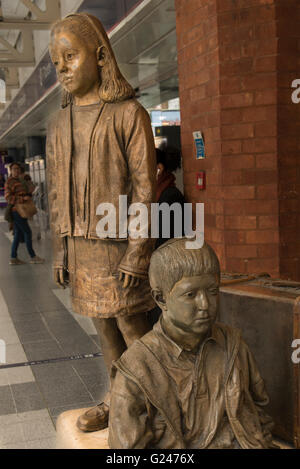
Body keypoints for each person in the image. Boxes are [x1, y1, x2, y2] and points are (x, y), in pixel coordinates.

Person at [47, 13, 156, 432]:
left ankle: (156, 406)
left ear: (99, 55)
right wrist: (60, 249)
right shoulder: (59, 123)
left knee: (134, 329)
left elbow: (146, 190)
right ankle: (116, 399)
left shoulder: (129, 114)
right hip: (82, 247)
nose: (63, 69)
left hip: (119, 247)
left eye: (70, 57)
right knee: (104, 331)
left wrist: (136, 253)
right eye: (57, 63)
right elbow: (57, 191)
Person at [108, 239, 276, 449]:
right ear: (161, 299)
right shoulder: (136, 368)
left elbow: (260, 409)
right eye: (191, 295)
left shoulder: (233, 343)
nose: (205, 305)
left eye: (212, 291)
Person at [4, 162, 44, 265]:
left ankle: (13, 258)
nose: (17, 171)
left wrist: (28, 185)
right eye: (14, 169)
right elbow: (8, 198)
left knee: (17, 235)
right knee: (27, 232)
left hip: (23, 210)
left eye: (18, 169)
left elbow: (30, 190)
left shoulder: (21, 180)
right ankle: (33, 256)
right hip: (16, 211)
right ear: (11, 171)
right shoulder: (9, 182)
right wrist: (22, 198)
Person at [155, 146, 185, 248]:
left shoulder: (171, 197)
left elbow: (164, 239)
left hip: (166, 259)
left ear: (159, 169)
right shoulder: (157, 194)